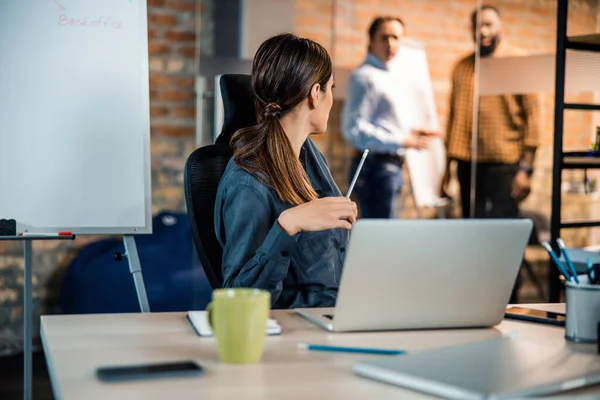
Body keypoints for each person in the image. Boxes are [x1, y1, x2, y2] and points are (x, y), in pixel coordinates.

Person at [215, 33, 357, 309]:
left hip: (333, 312)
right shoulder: (249, 181)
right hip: (293, 330)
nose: (331, 100)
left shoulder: (310, 156)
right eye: (332, 89)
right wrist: (287, 225)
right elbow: (238, 298)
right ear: (316, 94)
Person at [441, 5, 540, 219]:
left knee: (502, 229)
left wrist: (526, 170)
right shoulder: (462, 67)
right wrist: (446, 171)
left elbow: (533, 121)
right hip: (468, 164)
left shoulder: (517, 63)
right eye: (478, 26)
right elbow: (453, 121)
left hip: (505, 164)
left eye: (488, 25)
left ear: (499, 27)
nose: (483, 32)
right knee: (470, 226)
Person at [342, 16, 439, 218]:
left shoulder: (389, 73)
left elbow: (382, 121)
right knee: (379, 239)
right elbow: (353, 128)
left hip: (390, 169)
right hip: (375, 170)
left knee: (384, 235)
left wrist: (411, 132)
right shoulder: (365, 76)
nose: (391, 44)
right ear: (371, 40)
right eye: (385, 37)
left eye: (396, 38)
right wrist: (402, 140)